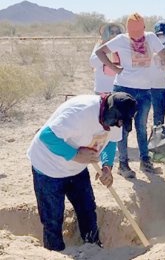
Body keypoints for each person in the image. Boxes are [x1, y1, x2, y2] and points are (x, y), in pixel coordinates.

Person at [27, 92, 137, 251]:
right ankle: (55, 252)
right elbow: (46, 136)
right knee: (52, 219)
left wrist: (107, 166)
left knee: (87, 210)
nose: (118, 126)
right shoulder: (80, 112)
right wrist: (75, 154)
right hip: (48, 168)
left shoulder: (116, 119)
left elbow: (111, 141)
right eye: (118, 122)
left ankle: (92, 248)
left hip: (77, 169)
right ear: (110, 113)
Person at [95, 13, 165, 179]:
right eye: (133, 34)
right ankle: (123, 164)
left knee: (141, 126)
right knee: (121, 127)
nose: (136, 38)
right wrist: (114, 68)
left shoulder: (151, 38)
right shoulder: (121, 40)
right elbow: (100, 52)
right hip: (123, 90)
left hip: (145, 90)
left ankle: (145, 161)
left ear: (144, 29)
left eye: (139, 34)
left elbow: (164, 57)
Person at [89, 23, 123, 94]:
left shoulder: (122, 46)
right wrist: (106, 50)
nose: (115, 35)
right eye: (112, 32)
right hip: (102, 89)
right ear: (106, 33)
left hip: (119, 88)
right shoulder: (100, 45)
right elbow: (93, 62)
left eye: (117, 32)